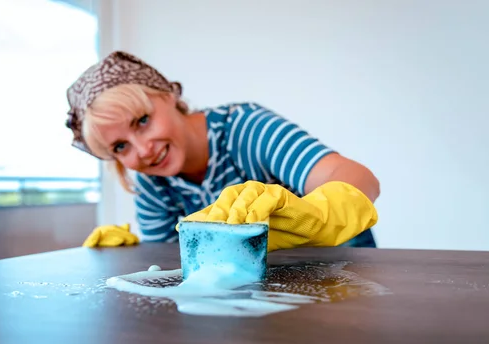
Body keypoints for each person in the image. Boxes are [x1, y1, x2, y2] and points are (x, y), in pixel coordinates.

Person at [65, 51, 380, 251]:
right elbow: (168, 261)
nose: (144, 150)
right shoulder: (153, 181)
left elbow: (359, 178)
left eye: (143, 121)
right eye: (120, 147)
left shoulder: (245, 130)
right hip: (266, 286)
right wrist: (132, 255)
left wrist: (314, 217)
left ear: (169, 95)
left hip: (342, 265)